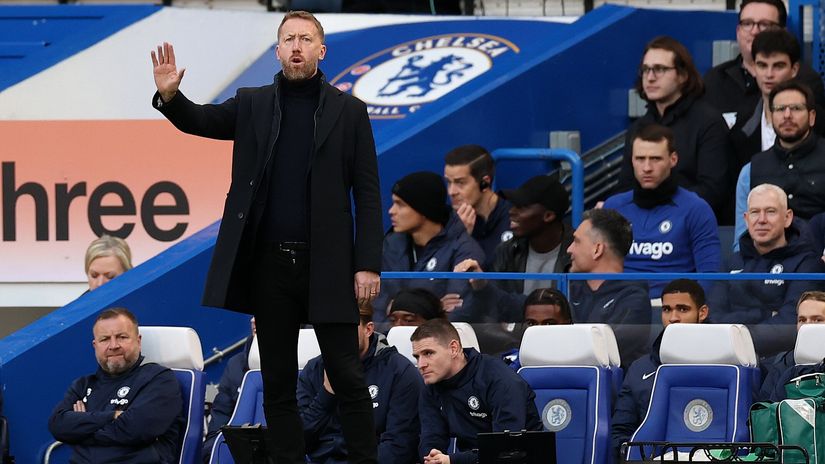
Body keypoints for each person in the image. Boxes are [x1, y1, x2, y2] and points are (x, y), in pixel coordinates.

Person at [150, 11, 383, 463]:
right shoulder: (252, 101)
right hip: (269, 266)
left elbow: (368, 193)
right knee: (277, 381)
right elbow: (202, 120)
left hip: (329, 265)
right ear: (278, 51)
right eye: (288, 39)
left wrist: (367, 261)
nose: (296, 46)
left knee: (348, 375)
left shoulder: (349, 110)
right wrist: (171, 97)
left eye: (306, 39)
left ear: (321, 50)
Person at [617, 36, 732, 220]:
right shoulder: (638, 127)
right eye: (646, 70)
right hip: (644, 226)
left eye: (660, 69)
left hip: (692, 225)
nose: (651, 77)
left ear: (683, 76)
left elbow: (712, 191)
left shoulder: (708, 122)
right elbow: (625, 187)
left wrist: (657, 206)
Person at [48, 308, 183, 462]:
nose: (113, 345)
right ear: (95, 345)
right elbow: (57, 426)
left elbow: (136, 430)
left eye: (122, 337)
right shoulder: (82, 386)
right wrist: (113, 416)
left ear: (138, 341)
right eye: (105, 339)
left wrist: (81, 427)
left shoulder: (158, 379)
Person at [604, 124, 720, 298]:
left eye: (656, 159)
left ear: (673, 160)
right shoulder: (613, 207)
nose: (647, 167)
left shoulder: (696, 209)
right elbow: (595, 269)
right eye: (640, 158)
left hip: (674, 310)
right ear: (631, 161)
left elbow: (711, 276)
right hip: (620, 305)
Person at [298, 303, 423, 464]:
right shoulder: (313, 370)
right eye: (330, 331)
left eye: (346, 329)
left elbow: (399, 446)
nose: (337, 337)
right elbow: (298, 439)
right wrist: (327, 393)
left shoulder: (400, 372)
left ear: (368, 329)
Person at [709, 184, 823, 353]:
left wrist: (735, 337)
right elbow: (713, 318)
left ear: (787, 217)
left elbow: (789, 325)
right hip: (727, 355)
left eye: (770, 211)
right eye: (755, 212)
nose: (761, 219)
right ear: (746, 218)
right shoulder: (731, 263)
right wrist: (764, 314)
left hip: (780, 360)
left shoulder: (808, 264)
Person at [412, 319, 542, 464]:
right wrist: (432, 458)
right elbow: (431, 437)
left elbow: (505, 450)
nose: (421, 364)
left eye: (428, 353)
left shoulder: (500, 380)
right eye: (417, 357)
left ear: (454, 349)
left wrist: (452, 460)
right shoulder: (432, 385)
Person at [452, 175, 573, 322]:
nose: (511, 211)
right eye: (513, 205)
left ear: (548, 216)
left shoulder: (576, 252)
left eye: (521, 207)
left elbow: (574, 310)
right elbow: (496, 307)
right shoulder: (507, 251)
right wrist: (483, 285)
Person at [610, 279, 709, 459]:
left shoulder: (726, 363)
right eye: (666, 309)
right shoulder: (640, 369)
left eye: (683, 309)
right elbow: (621, 431)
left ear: (702, 313)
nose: (673, 318)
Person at [377, 171, 485, 320]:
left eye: (400, 205)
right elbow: (377, 305)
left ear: (424, 209)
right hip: (389, 338)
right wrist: (434, 307)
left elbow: (457, 313)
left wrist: (396, 310)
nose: (391, 211)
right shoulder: (390, 245)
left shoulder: (464, 250)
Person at [703, 0, 825, 126]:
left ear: (782, 31)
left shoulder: (807, 81)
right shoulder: (714, 80)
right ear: (738, 30)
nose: (754, 31)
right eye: (747, 23)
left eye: (765, 24)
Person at [566, 208, 652, 366]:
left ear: (597, 249)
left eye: (577, 241)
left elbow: (607, 352)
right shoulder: (569, 289)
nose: (569, 249)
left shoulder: (634, 300)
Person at [748, 81, 825, 220]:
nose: (787, 115)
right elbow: (744, 232)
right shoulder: (753, 167)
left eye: (796, 108)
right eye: (780, 108)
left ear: (812, 117)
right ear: (771, 116)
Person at [444, 145, 512, 270]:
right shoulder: (446, 222)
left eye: (460, 183)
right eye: (449, 182)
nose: (451, 191)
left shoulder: (514, 218)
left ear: (484, 183)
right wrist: (459, 237)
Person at [202, 317, 256, 461]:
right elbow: (220, 418)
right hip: (237, 452)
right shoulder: (235, 365)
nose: (253, 320)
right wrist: (212, 452)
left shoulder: (307, 366)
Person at [757, 291, 825, 401]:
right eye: (802, 320)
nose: (807, 326)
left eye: (817, 320)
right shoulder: (782, 364)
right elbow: (765, 411)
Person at [501, 288, 573, 371]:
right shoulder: (506, 366)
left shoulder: (584, 365)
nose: (538, 331)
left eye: (548, 324)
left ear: (567, 324)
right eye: (531, 323)